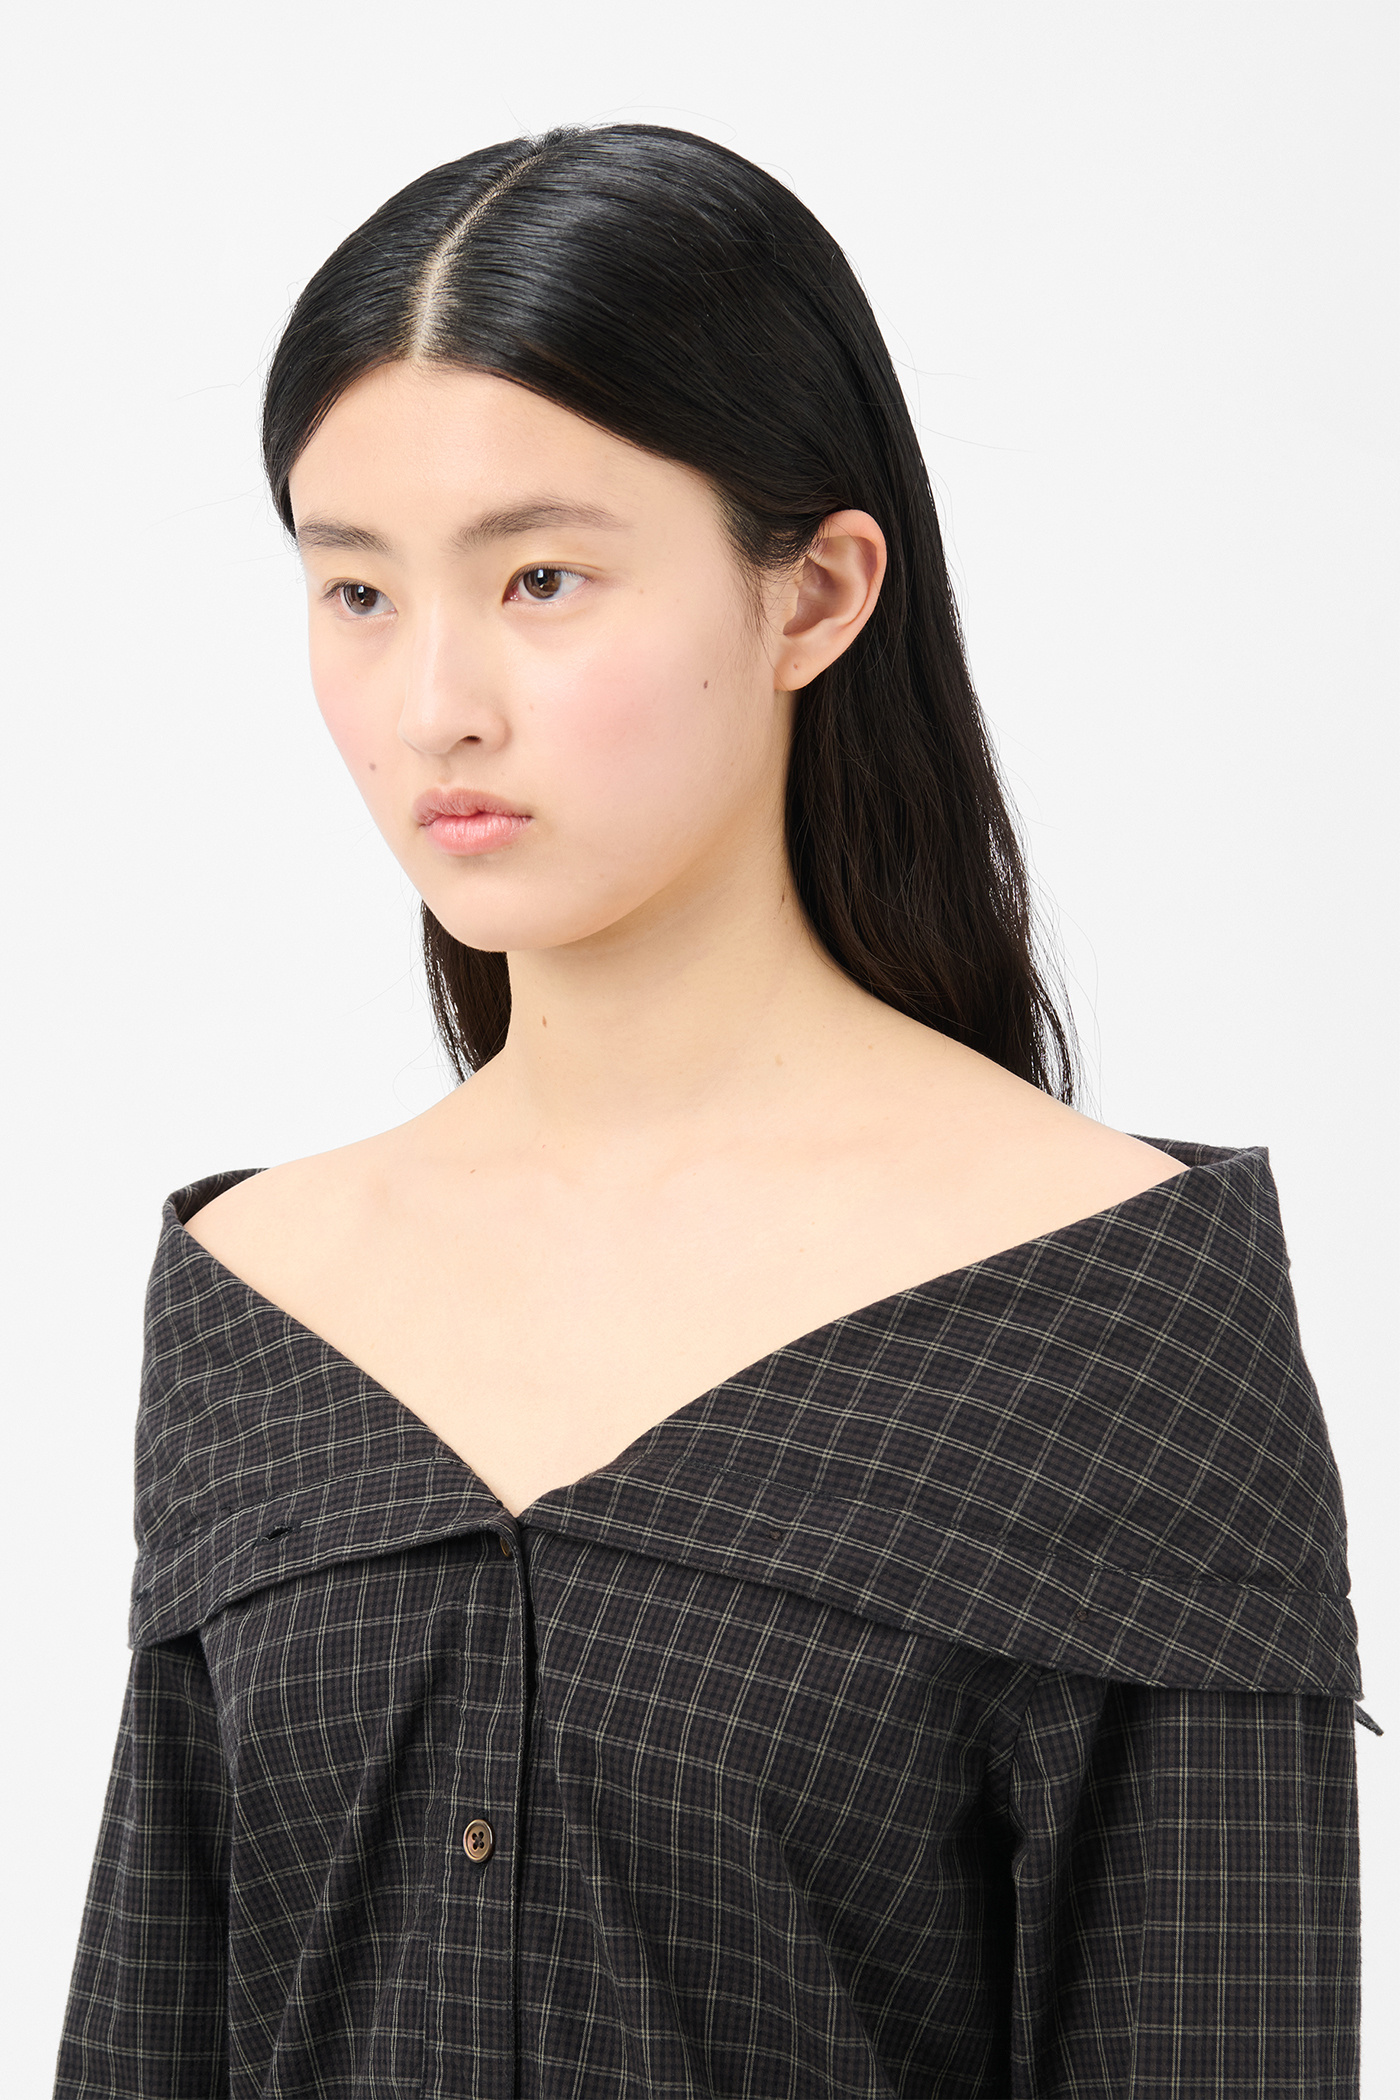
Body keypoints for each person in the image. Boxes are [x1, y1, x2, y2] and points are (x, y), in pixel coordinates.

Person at [53, 124, 1373, 2098]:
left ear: (815, 595)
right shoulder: (257, 1296)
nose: (433, 703)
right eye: (358, 592)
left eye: (542, 578)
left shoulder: (1109, 1313)